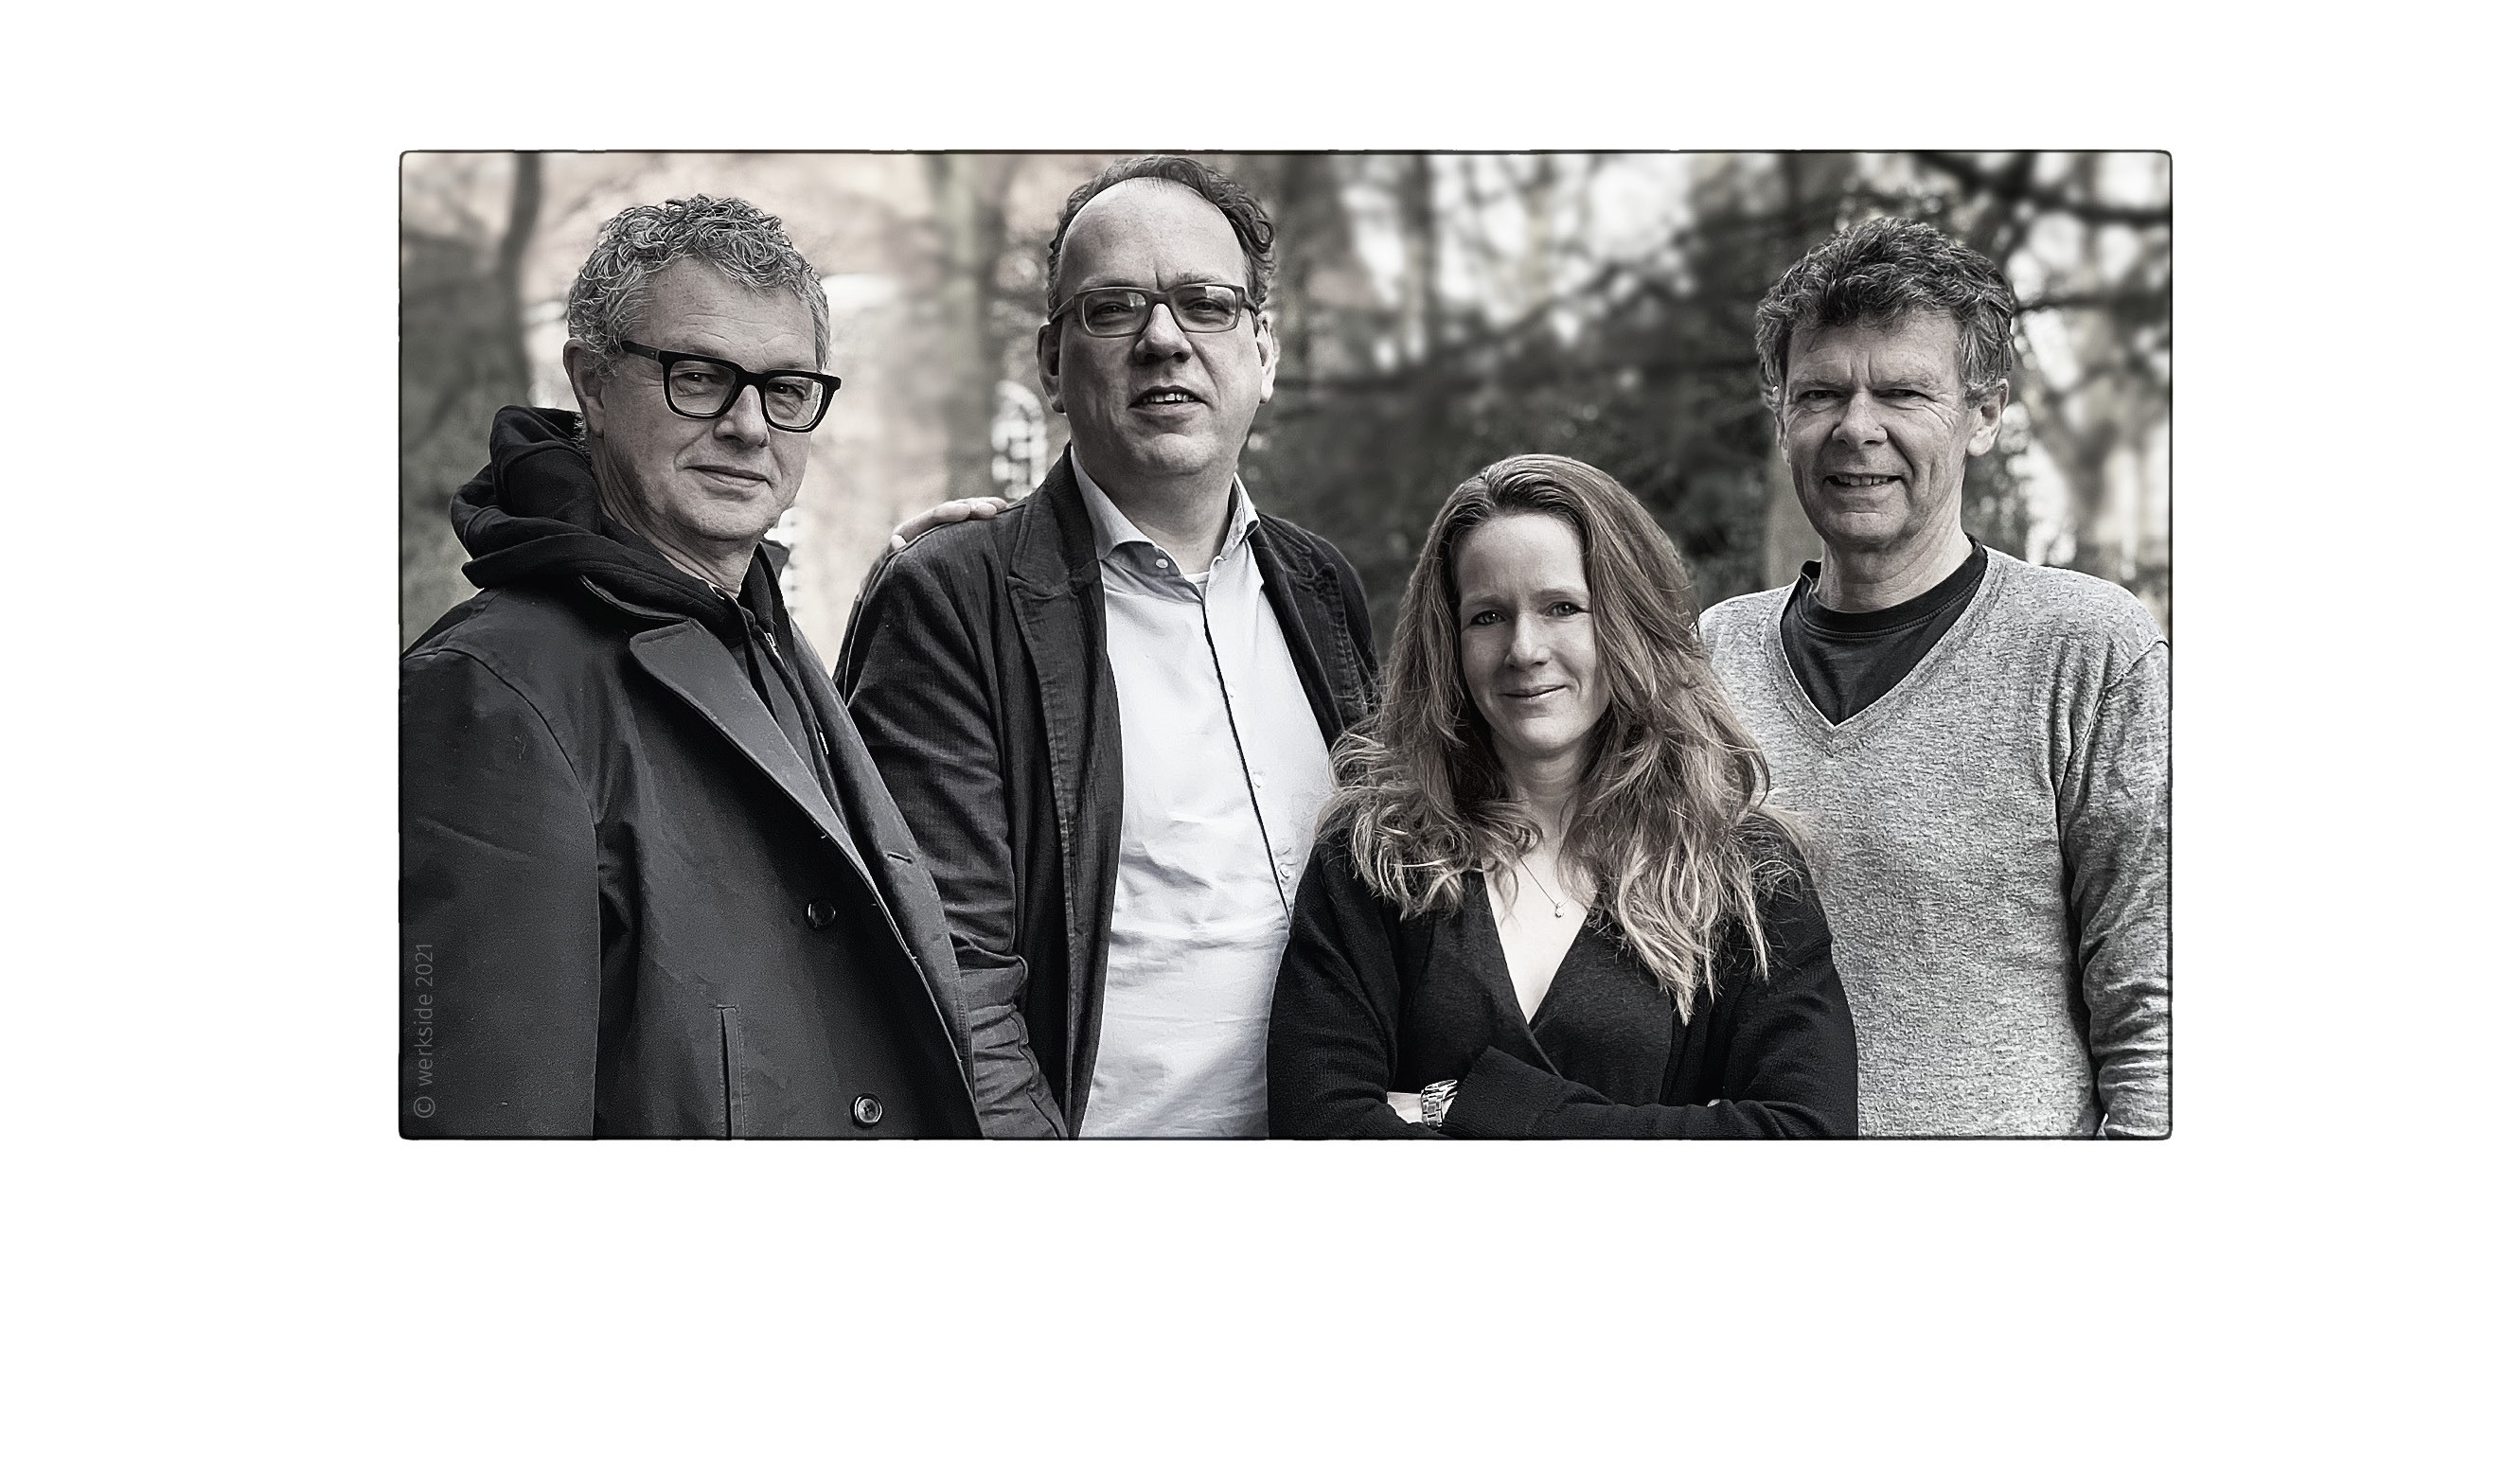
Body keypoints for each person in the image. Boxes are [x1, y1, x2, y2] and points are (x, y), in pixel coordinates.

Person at [400, 194, 982, 1138]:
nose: (750, 426)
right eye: (701, 377)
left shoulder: (754, 632)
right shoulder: (487, 693)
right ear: (591, 382)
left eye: (785, 388)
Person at [835, 157, 1377, 1138]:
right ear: (1051, 363)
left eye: (1205, 304)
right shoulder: (955, 601)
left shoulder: (1319, 588)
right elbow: (956, 982)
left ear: (1262, 349)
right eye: (1113, 308)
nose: (1163, 339)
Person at [1698, 217, 2170, 1137]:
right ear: (1780, 412)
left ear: (1983, 414)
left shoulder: (2088, 650)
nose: (1855, 427)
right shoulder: (1713, 654)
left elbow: (2154, 1008)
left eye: (1903, 392)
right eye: (1819, 392)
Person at [1267, 455, 1859, 1138]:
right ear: (1449, 642)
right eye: (1487, 616)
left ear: (1629, 622)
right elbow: (1319, 1125)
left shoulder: (1744, 870)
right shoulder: (1376, 854)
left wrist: (1465, 1107)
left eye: (1562, 608)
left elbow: (1804, 1136)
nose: (1524, 649)